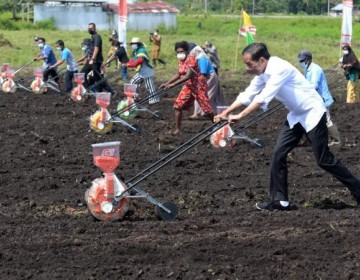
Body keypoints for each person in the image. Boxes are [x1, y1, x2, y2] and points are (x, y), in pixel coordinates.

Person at [214, 43, 360, 211]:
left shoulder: (279, 68)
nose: (248, 68)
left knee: (323, 160)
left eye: (249, 64)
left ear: (261, 60)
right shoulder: (262, 72)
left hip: (313, 112)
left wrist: (240, 116)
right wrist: (227, 112)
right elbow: (249, 93)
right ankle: (280, 200)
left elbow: (263, 97)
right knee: (279, 154)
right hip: (296, 116)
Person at [160, 41, 214, 135]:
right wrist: (167, 83)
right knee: (178, 106)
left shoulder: (191, 59)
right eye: (177, 52)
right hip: (188, 86)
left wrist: (173, 85)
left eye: (181, 51)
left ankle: (217, 125)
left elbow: (188, 75)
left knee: (207, 110)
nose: (179, 54)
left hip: (198, 86)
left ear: (186, 51)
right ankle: (178, 129)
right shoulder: (181, 60)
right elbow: (179, 74)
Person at [297, 50, 341, 146]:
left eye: (302, 61)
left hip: (322, 99)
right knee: (307, 118)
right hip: (313, 99)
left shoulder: (315, 69)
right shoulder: (308, 69)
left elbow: (313, 85)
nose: (301, 63)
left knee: (326, 120)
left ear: (308, 60)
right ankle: (308, 140)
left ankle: (336, 140)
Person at [189, 45, 226, 120]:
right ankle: (199, 112)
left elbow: (203, 73)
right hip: (204, 77)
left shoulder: (202, 59)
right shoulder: (198, 58)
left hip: (209, 77)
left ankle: (205, 112)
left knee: (208, 95)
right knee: (201, 95)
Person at [123, 37, 158, 104]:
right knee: (133, 82)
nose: (133, 45)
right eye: (132, 44)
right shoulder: (135, 51)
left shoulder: (142, 51)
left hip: (147, 72)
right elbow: (133, 60)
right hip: (141, 72)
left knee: (149, 86)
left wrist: (128, 65)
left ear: (138, 44)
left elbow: (139, 61)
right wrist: (126, 63)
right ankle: (136, 97)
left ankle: (154, 100)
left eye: (134, 43)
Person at [80, 23, 107, 92]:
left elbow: (96, 48)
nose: (89, 29)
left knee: (97, 78)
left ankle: (102, 92)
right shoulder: (93, 37)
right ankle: (89, 90)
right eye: (88, 28)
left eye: (91, 28)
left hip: (95, 61)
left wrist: (92, 59)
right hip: (91, 60)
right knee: (83, 74)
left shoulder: (97, 37)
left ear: (94, 28)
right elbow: (90, 50)